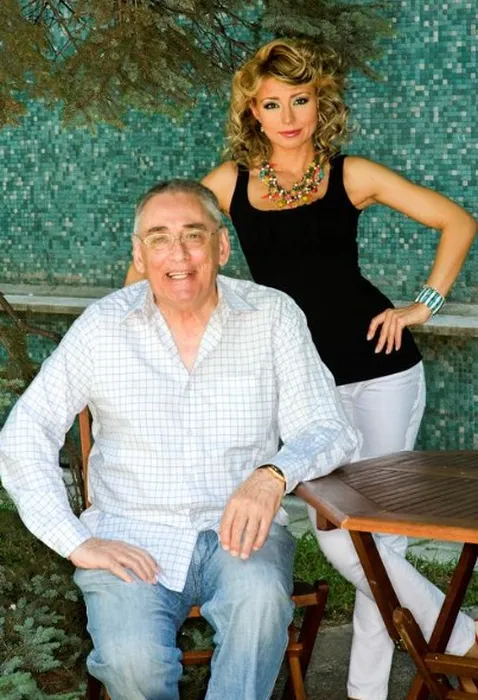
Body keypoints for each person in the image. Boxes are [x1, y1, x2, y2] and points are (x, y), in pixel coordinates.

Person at [124, 39, 478, 699]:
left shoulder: (351, 175)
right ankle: (464, 640)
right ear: (252, 112)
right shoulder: (229, 184)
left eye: (300, 100)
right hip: (304, 389)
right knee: (345, 537)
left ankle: (366, 693)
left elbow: (457, 221)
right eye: (271, 104)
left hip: (383, 371)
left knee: (379, 545)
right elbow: (157, 251)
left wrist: (422, 306)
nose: (287, 117)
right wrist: (143, 336)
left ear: (321, 104)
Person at [0, 179, 358, 700]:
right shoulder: (102, 327)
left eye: (193, 235)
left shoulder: (273, 315)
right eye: (160, 238)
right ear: (139, 255)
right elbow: (25, 432)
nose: (179, 255)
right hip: (131, 532)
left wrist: (272, 476)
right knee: (133, 665)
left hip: (240, 533)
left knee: (260, 607)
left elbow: (328, 426)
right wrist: (75, 540)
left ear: (221, 245)